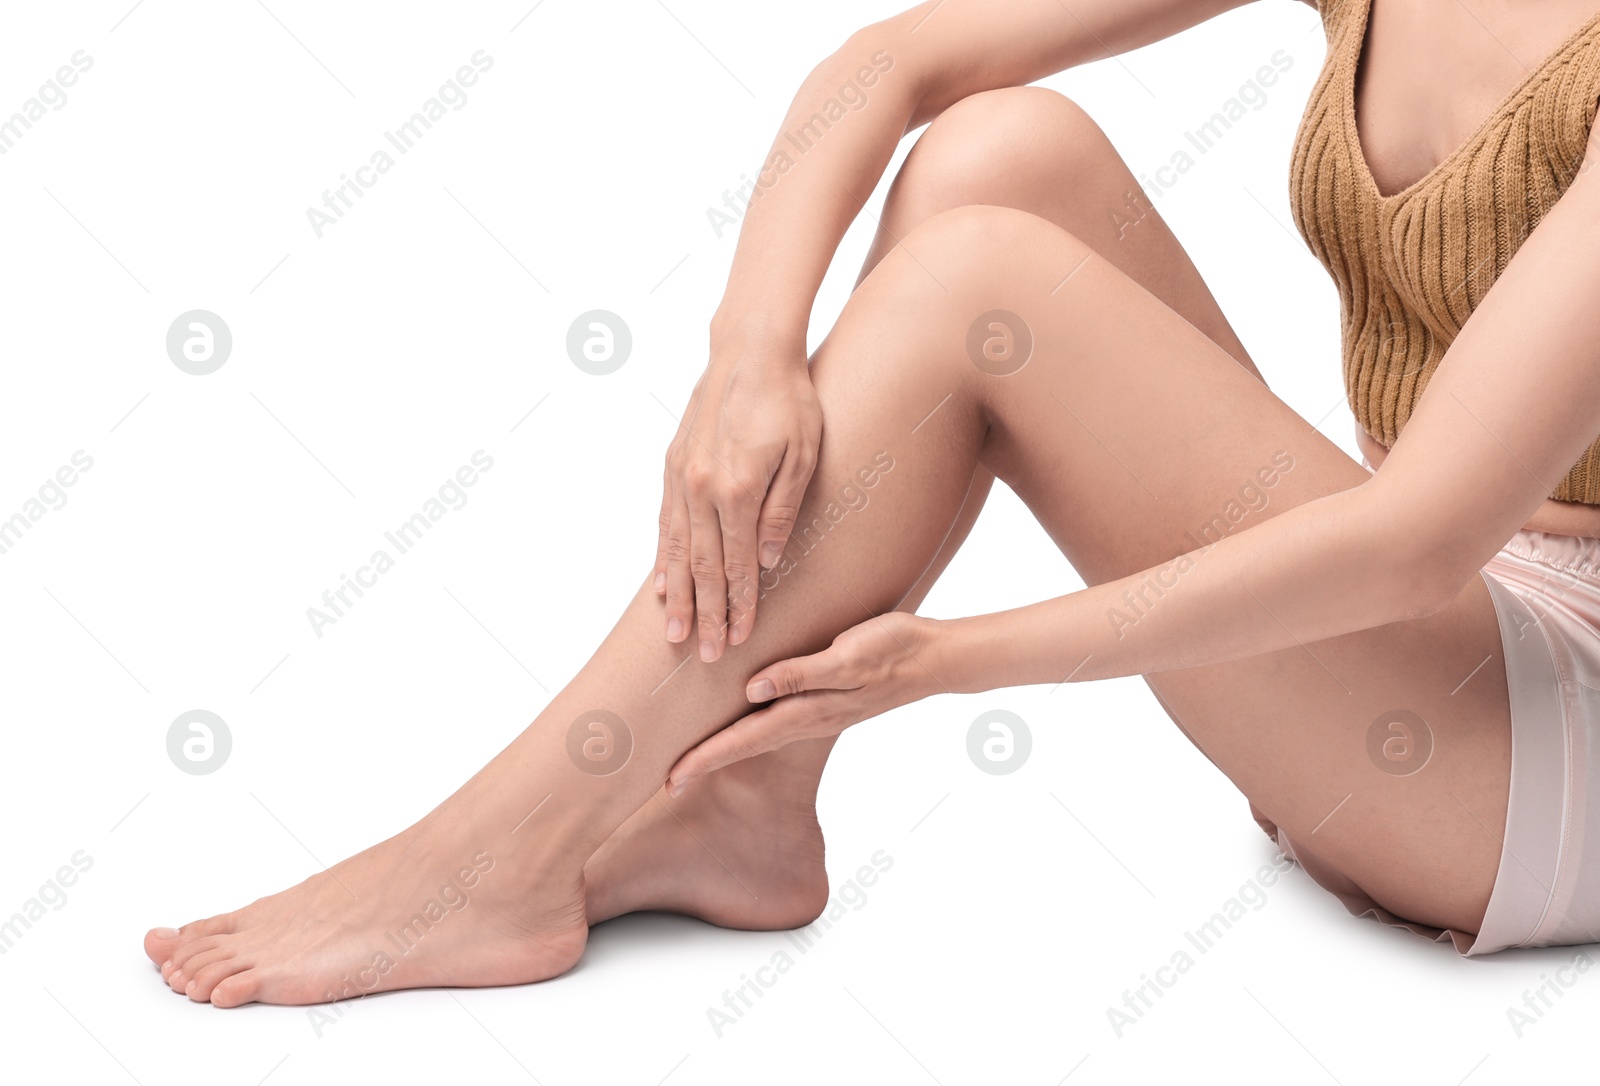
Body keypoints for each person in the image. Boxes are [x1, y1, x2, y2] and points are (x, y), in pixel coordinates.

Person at [146, 0, 1600, 1006]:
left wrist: (957, 660)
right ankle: (748, 795)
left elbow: (1421, 540)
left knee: (983, 289)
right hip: (1418, 626)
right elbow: (895, 58)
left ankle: (490, 858)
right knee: (1000, 152)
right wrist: (748, 352)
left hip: (1537, 733)